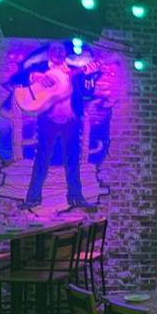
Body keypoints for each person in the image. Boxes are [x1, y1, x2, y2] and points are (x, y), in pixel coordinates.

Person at [20, 42, 98, 210]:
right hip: (47, 120)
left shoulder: (74, 71)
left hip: (71, 120)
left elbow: (87, 93)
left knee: (73, 159)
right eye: (54, 49)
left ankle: (76, 197)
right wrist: (35, 77)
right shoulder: (40, 68)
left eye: (61, 50)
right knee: (41, 158)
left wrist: (89, 77)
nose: (58, 52)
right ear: (49, 53)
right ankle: (33, 198)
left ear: (65, 53)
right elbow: (20, 76)